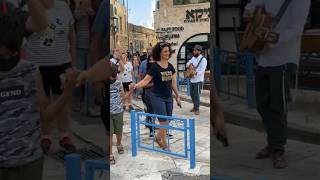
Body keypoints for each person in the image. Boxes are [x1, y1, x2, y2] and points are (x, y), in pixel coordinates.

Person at [0, 0, 77, 179]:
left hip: (28, 163)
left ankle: (58, 135)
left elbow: (46, 114)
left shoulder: (29, 71)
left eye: (10, 55)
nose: (6, 61)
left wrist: (66, 93)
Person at [244, 0, 310, 168]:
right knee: (262, 104)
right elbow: (254, 3)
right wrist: (249, 11)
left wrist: (272, 37)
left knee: (277, 107)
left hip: (284, 58)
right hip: (264, 57)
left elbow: (297, 30)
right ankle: (273, 143)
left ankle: (278, 150)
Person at [24, 0, 77, 153]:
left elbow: (71, 34)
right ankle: (45, 136)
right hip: (38, 64)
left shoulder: (63, 6)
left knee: (63, 101)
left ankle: (64, 135)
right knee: (43, 102)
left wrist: (72, 60)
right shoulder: (30, 7)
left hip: (62, 62)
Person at [130, 42, 181, 150]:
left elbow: (173, 83)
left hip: (168, 97)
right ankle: (164, 144)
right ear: (160, 53)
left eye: (168, 51)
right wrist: (136, 85)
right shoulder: (155, 67)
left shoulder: (171, 66)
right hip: (157, 97)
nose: (168, 53)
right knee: (163, 121)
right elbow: (145, 80)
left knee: (168, 120)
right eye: (165, 51)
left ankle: (158, 137)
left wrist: (177, 96)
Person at [109, 64, 131, 165]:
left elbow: (122, 96)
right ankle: (110, 154)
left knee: (119, 131)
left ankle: (118, 144)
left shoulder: (119, 83)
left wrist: (130, 92)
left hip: (118, 112)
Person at [186, 44, 207, 115]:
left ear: (199, 51)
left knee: (196, 95)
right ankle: (195, 106)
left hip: (198, 80)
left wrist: (195, 73)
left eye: (195, 50)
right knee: (192, 94)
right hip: (192, 79)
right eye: (193, 50)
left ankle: (197, 109)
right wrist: (189, 65)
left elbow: (202, 70)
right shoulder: (193, 58)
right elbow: (187, 63)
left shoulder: (203, 60)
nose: (194, 52)